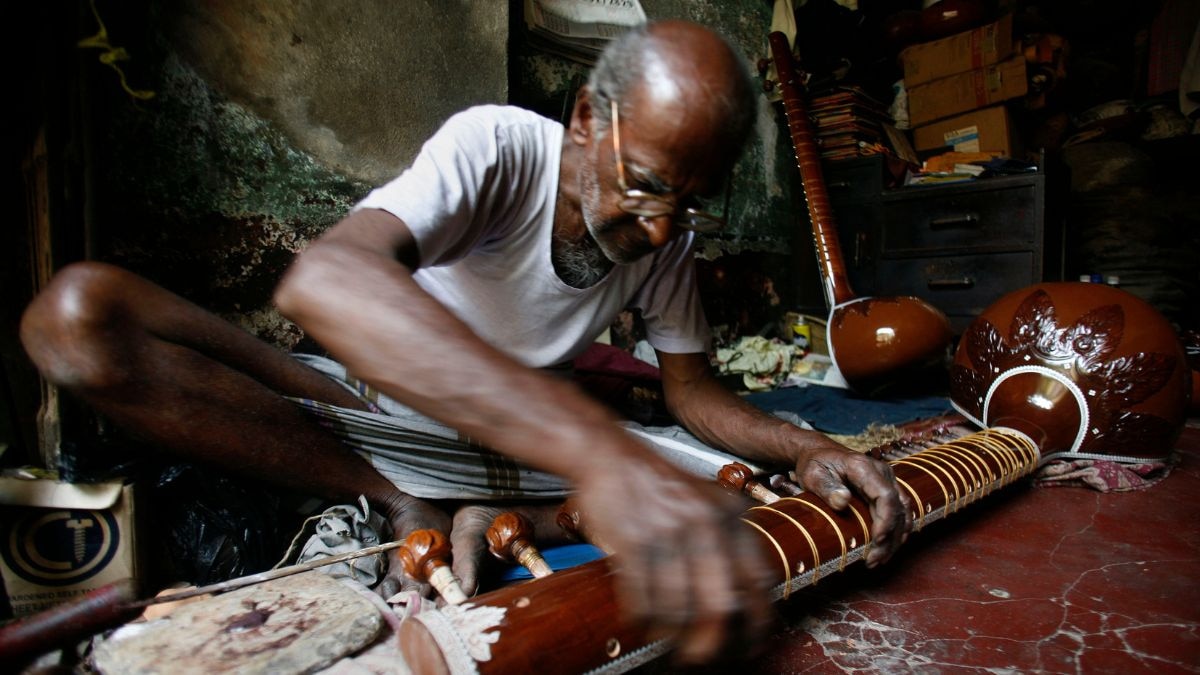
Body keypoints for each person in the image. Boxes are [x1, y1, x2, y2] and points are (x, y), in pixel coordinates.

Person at [20, 20, 910, 664]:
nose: (661, 224)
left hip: (514, 452)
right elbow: (330, 282)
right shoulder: (499, 149)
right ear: (587, 120)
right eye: (644, 185)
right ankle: (397, 499)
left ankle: (452, 504)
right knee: (77, 320)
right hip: (378, 408)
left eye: (690, 200)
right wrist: (592, 450)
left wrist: (808, 443)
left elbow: (692, 392)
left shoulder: (664, 237)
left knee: (729, 508)